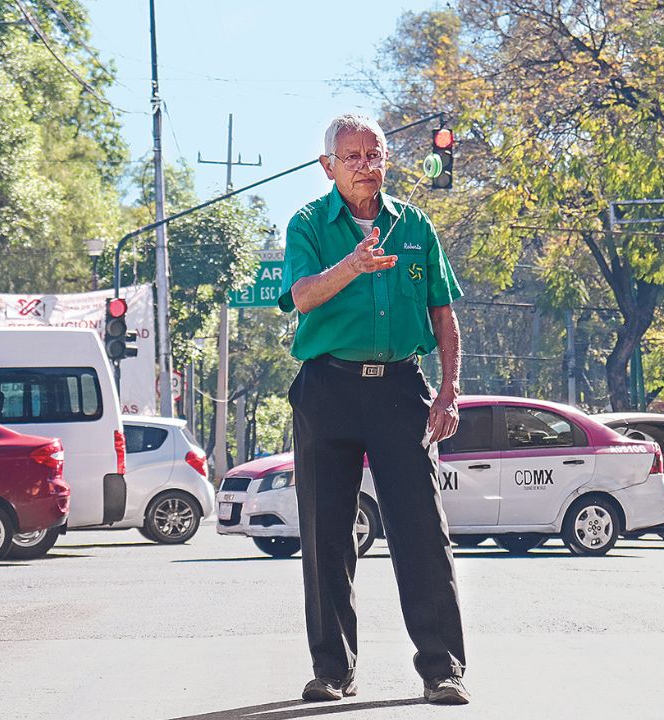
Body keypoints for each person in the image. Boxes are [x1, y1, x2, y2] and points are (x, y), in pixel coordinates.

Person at [278, 113, 469, 705]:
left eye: (374, 154)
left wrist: (449, 389)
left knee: (422, 532)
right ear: (328, 166)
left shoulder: (415, 226)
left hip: (399, 389)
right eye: (352, 156)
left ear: (386, 159)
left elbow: (442, 312)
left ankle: (443, 670)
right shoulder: (307, 224)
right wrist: (354, 265)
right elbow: (302, 296)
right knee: (327, 534)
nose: (365, 165)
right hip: (327, 387)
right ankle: (333, 670)